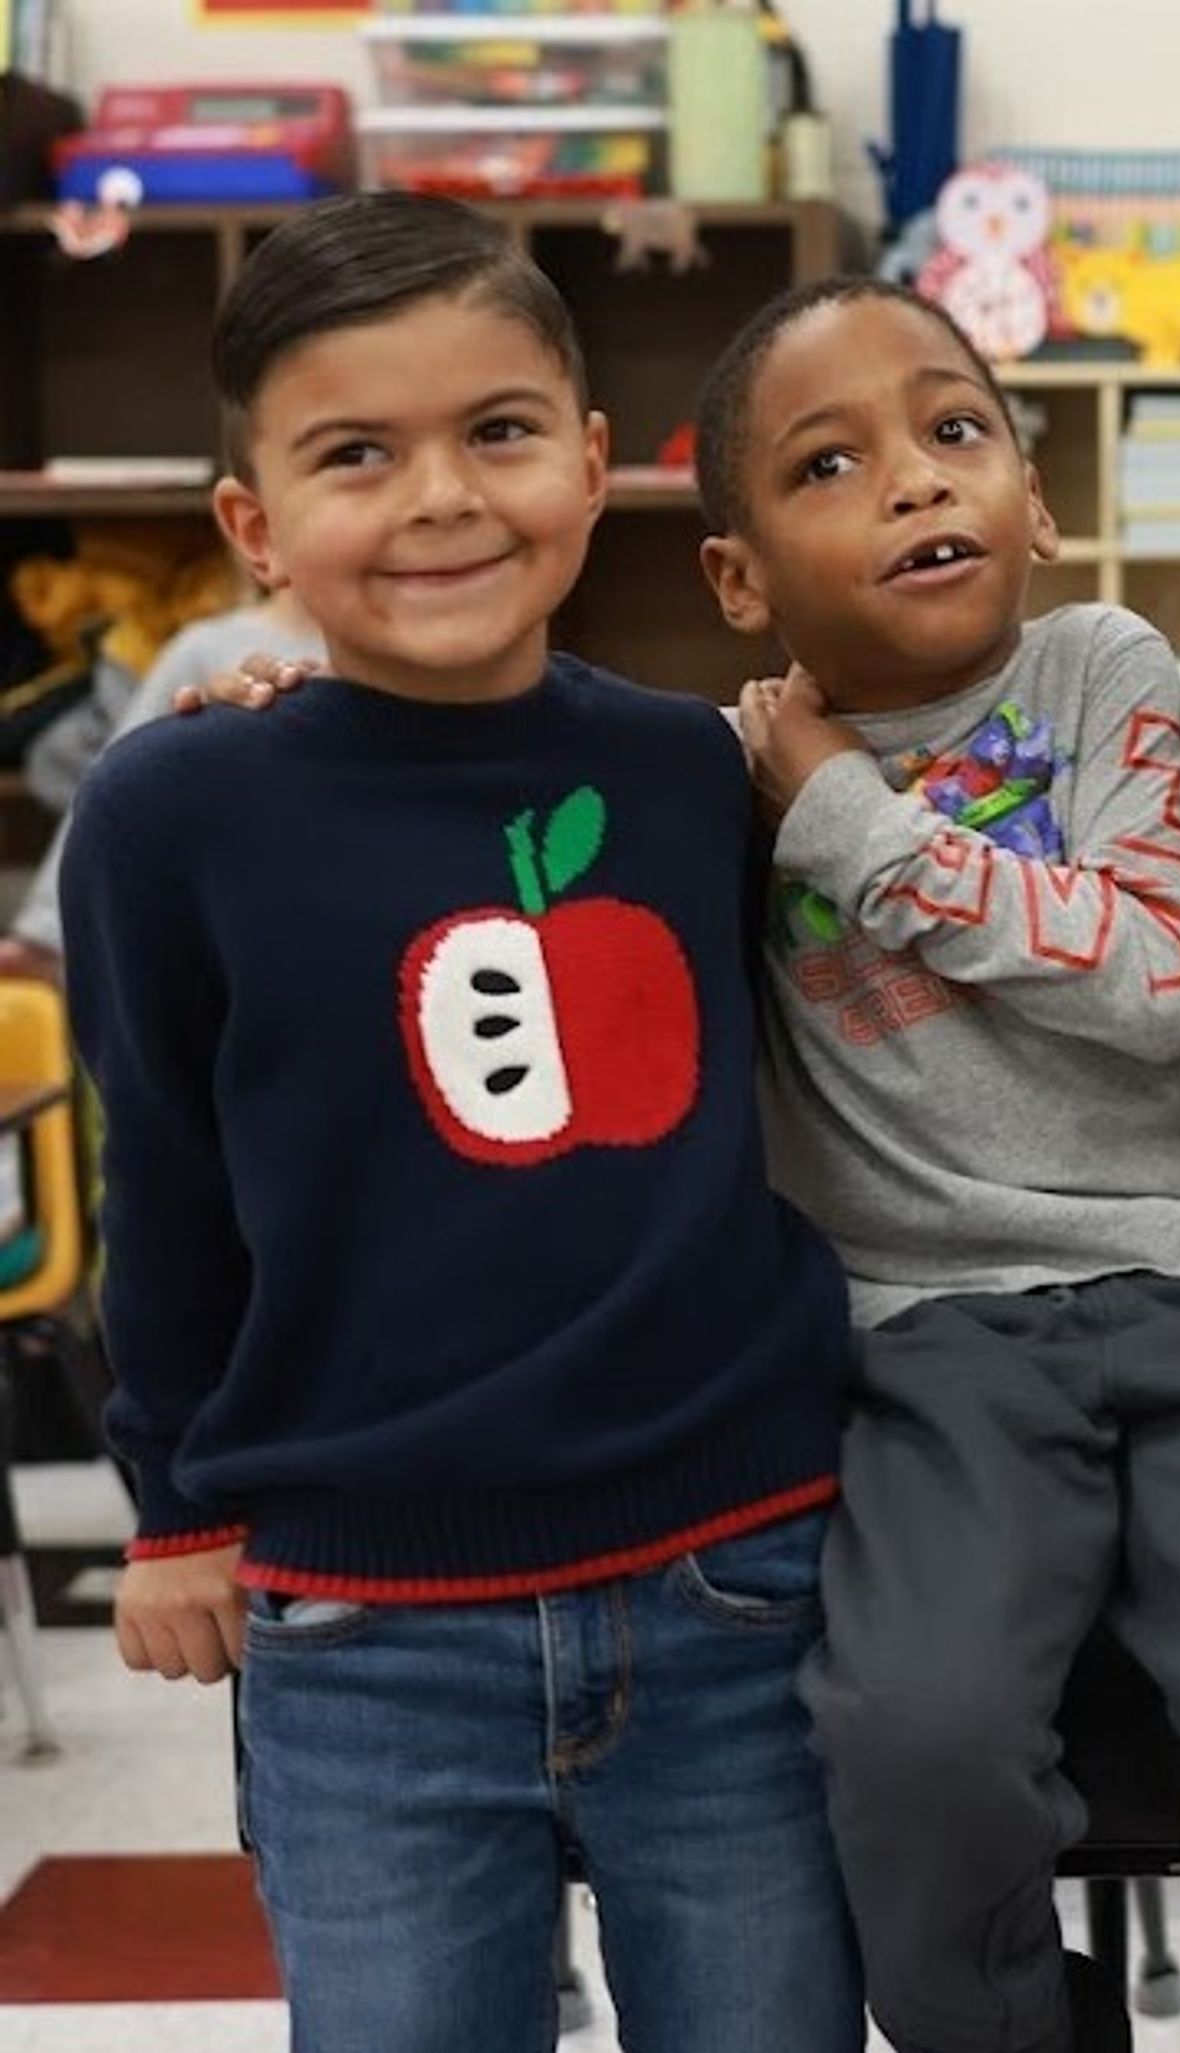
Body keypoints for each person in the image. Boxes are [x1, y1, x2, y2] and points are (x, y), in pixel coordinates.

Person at [59, 191, 862, 2052]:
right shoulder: (171, 813)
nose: (440, 497)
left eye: (497, 432)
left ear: (592, 466)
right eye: (358, 454)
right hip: (363, 1619)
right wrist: (173, 1505)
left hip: (735, 1570)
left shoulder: (695, 771)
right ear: (256, 528)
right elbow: (163, 1172)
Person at [689, 272, 1180, 2053]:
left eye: (955, 434)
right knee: (909, 1735)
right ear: (738, 575)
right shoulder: (714, 775)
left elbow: (1155, 984)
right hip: (922, 1332)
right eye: (831, 463)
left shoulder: (1101, 669)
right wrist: (262, 694)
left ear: (1035, 496)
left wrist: (853, 820)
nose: (918, 482)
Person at [0, 582, 324, 983]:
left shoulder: (411, 654)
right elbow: (115, 794)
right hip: (235, 938)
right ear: (254, 535)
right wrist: (47, 933)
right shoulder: (205, 649)